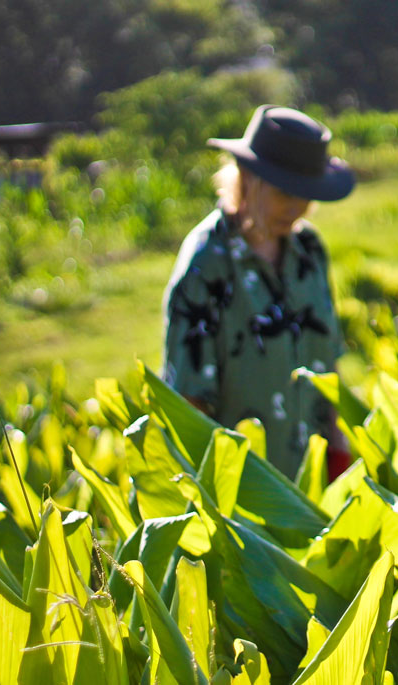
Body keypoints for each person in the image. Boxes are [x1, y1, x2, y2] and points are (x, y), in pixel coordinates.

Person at [162, 105, 354, 479]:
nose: (297, 208)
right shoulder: (207, 265)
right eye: (285, 193)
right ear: (247, 178)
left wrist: (336, 447)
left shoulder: (310, 251)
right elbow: (188, 401)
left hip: (308, 485)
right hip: (244, 492)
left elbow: (326, 362)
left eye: (306, 194)